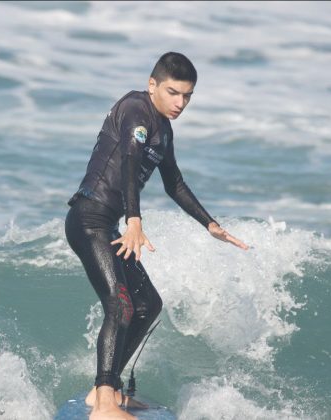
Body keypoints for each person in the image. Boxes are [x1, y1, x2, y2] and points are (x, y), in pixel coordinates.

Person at [64, 52, 248, 420]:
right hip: (89, 219)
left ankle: (106, 390)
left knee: (148, 305)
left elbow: (174, 183)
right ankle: (103, 405)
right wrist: (134, 219)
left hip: (109, 224)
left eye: (188, 96)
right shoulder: (136, 109)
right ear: (153, 85)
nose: (181, 103)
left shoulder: (164, 129)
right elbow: (131, 159)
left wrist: (210, 224)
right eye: (173, 92)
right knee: (120, 305)